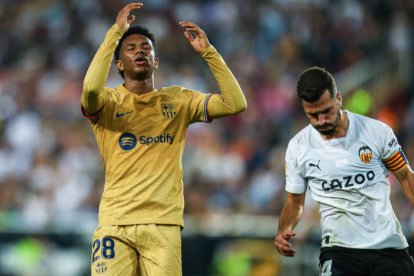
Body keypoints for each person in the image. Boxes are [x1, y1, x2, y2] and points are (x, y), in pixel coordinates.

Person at [81, 2, 247, 275]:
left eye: (146, 48)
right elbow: (89, 89)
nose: (140, 51)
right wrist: (114, 34)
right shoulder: (108, 102)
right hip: (114, 222)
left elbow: (235, 103)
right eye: (131, 48)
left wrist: (209, 53)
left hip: (163, 223)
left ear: (156, 61)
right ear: (119, 63)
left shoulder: (178, 100)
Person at [274, 66, 414, 275]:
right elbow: (295, 202)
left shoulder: (376, 132)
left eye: (326, 111)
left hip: (388, 247)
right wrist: (284, 230)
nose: (321, 120)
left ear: (338, 98)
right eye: (313, 115)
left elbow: (405, 176)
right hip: (339, 251)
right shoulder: (298, 147)